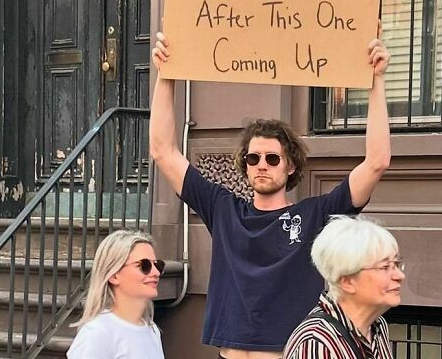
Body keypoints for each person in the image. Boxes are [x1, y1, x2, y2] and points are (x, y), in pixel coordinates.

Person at [150, 22, 391, 359]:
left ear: (290, 165)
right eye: (253, 157)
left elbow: (377, 162)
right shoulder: (224, 210)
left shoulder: (315, 215)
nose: (262, 164)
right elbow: (163, 150)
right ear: (245, 164)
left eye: (272, 157)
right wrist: (166, 75)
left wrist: (376, 83)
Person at [283, 215, 404, 359]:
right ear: (347, 282)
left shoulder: (376, 326)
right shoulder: (317, 342)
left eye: (396, 264)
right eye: (385, 267)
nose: (399, 276)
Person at [67, 229, 165, 359]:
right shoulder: (98, 333)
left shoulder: (152, 330)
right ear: (114, 275)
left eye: (157, 265)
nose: (156, 273)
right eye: (144, 265)